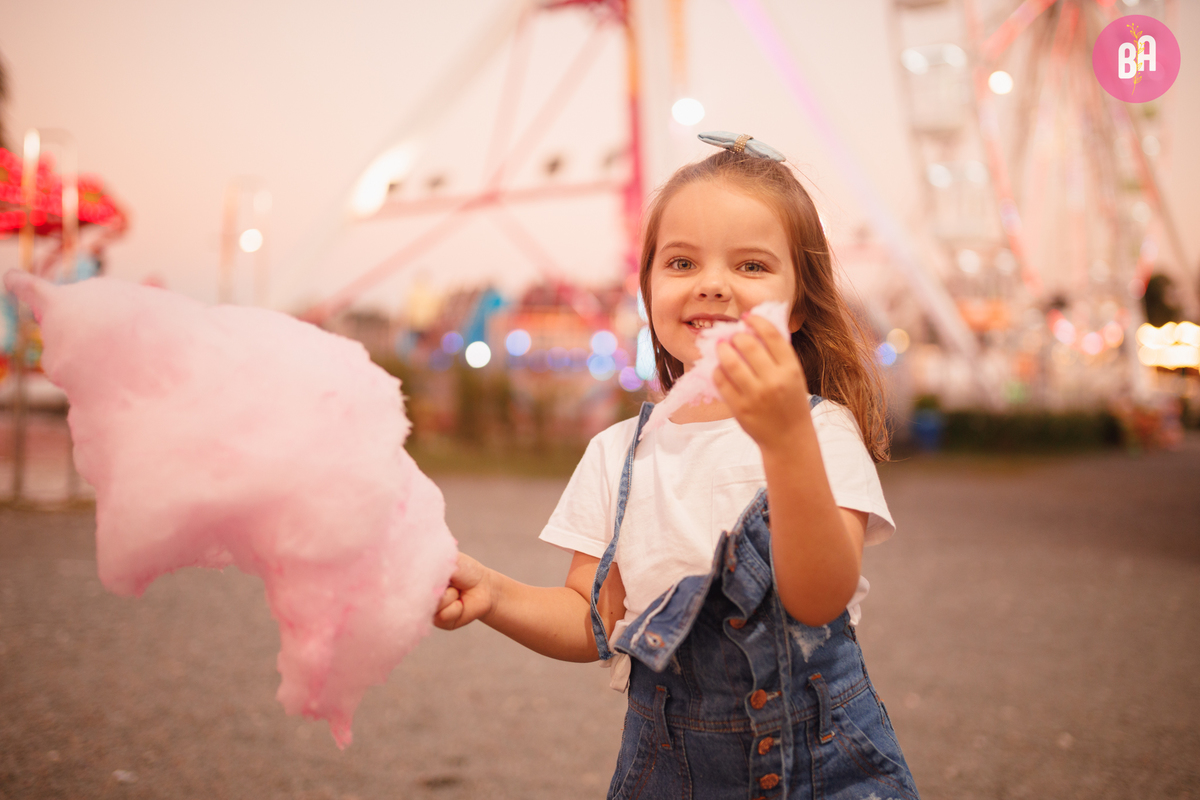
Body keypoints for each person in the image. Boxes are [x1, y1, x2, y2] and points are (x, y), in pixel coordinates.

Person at [434, 132, 920, 800]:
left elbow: (818, 596)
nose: (714, 284)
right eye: (682, 263)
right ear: (650, 288)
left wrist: (783, 441)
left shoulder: (818, 431)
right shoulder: (619, 453)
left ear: (800, 303)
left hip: (821, 771)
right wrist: (492, 592)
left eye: (751, 266)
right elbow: (595, 620)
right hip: (671, 775)